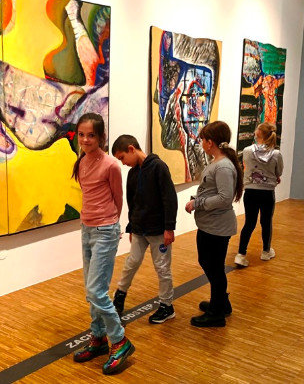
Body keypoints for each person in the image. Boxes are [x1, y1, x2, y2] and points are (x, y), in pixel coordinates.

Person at [71, 113, 135, 375]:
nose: (85, 140)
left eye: (91, 135)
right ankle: (98, 337)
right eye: (82, 134)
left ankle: (119, 340)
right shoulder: (81, 162)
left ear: (101, 137)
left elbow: (118, 199)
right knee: (91, 290)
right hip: (86, 229)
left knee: (96, 291)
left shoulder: (111, 165)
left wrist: (112, 226)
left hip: (105, 230)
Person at [111, 135, 178, 324]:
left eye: (122, 157)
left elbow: (169, 199)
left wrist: (169, 228)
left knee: (162, 268)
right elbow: (132, 202)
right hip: (140, 230)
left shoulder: (159, 167)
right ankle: (119, 297)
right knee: (131, 263)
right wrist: (132, 227)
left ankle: (167, 306)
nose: (123, 163)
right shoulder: (133, 173)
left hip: (158, 231)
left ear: (131, 149)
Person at [185, 121, 243, 327]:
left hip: (217, 227)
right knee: (209, 263)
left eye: (202, 139)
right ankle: (221, 302)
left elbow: (225, 198)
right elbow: (213, 192)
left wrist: (197, 203)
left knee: (214, 267)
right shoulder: (217, 163)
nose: (200, 142)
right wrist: (198, 199)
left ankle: (217, 312)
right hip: (210, 224)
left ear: (210, 142)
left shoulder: (223, 166)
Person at [234, 122, 284, 267]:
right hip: (267, 193)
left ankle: (241, 254)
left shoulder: (247, 151)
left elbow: (246, 166)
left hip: (251, 192)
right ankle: (266, 251)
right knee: (266, 222)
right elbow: (279, 172)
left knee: (249, 223)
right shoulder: (276, 154)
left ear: (258, 133)